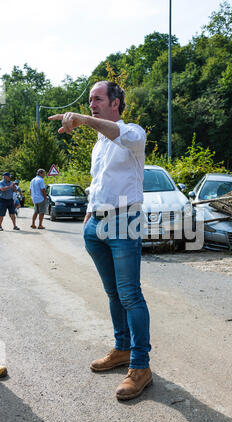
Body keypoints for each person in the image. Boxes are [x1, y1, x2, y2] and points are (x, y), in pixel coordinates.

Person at [49, 81, 152, 400]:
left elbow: (119, 134)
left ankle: (141, 366)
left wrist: (83, 118)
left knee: (130, 295)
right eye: (90, 100)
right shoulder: (98, 144)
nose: (92, 103)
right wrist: (88, 219)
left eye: (97, 99)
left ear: (116, 103)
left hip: (125, 221)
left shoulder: (133, 132)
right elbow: (98, 183)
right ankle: (122, 350)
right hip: (96, 224)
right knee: (113, 293)